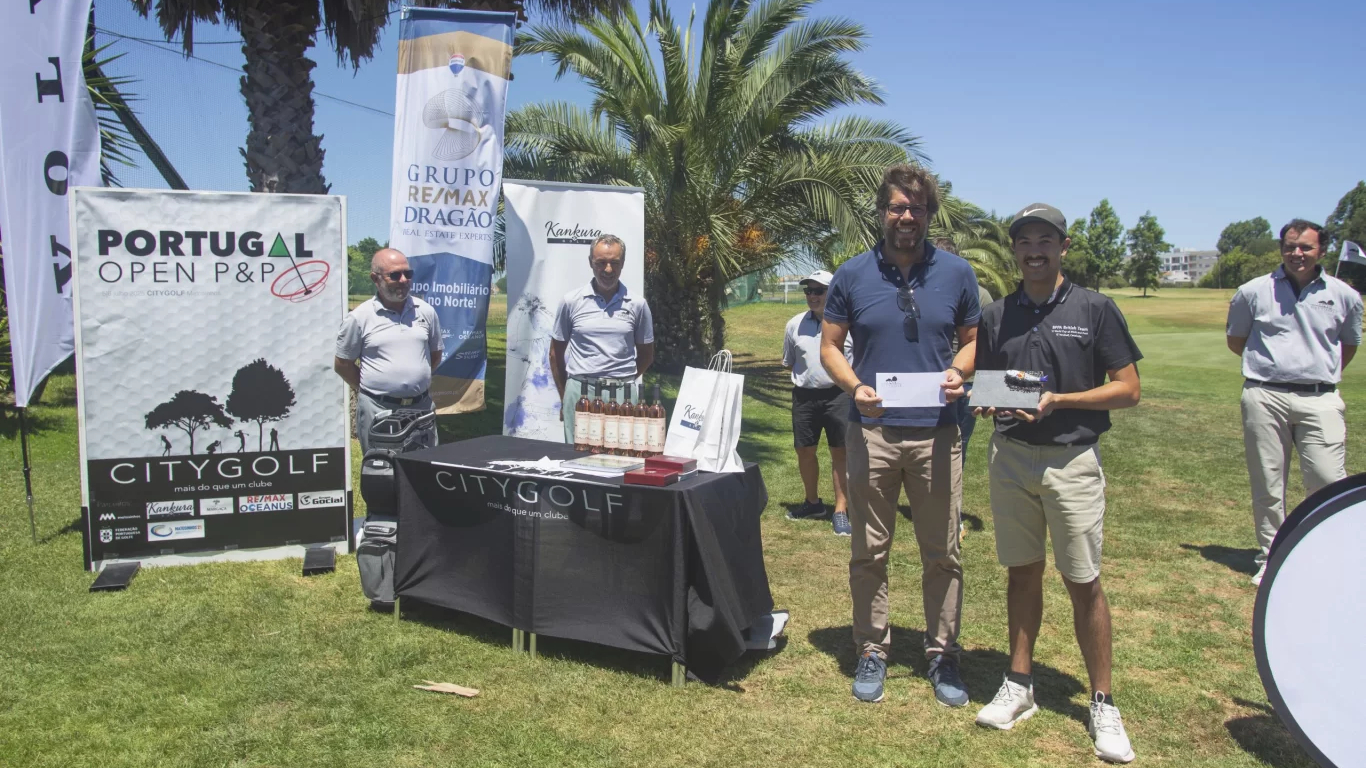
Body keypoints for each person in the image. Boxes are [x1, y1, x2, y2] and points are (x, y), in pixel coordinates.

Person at [970, 203, 1141, 764]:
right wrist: (985, 401)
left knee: (1082, 580)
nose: (1034, 251)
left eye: (1045, 240)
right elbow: (991, 383)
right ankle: (1019, 685)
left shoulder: (1095, 308)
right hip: (1010, 458)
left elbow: (1128, 388)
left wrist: (1061, 400)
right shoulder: (997, 315)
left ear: (1063, 247)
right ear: (1015, 250)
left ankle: (1103, 702)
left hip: (1072, 462)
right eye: (1025, 242)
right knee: (1022, 572)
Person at [820, 164, 982, 707]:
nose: (906, 216)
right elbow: (829, 347)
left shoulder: (957, 273)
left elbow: (972, 340)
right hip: (873, 433)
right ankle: (872, 647)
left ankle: (943, 653)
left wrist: (959, 371)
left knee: (943, 552)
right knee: (869, 550)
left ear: (929, 213)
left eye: (916, 208)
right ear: (882, 213)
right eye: (897, 207)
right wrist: (854, 386)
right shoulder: (852, 274)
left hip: (937, 434)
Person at [1226, 219, 1362, 586]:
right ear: (1281, 248)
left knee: (1328, 481)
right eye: (1289, 246)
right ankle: (1271, 557)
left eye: (1305, 247)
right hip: (1265, 395)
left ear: (1322, 251)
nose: (1296, 253)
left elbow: (1348, 346)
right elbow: (1237, 341)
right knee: (1268, 483)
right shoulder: (1253, 291)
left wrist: (1314, 371)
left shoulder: (1344, 295)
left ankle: (1327, 554)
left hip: (1321, 398)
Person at [334, 248, 443, 454]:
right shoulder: (359, 318)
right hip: (378, 409)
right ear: (375, 278)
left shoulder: (426, 311)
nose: (403, 280)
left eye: (407, 274)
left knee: (424, 465)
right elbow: (342, 364)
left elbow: (435, 355)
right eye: (394, 275)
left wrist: (413, 381)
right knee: (382, 467)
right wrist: (372, 391)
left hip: (421, 407)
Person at [550, 235, 655, 442]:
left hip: (623, 393)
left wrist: (623, 379)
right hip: (580, 392)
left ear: (622, 263)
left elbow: (647, 355)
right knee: (577, 456)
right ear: (591, 263)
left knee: (622, 454)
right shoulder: (571, 302)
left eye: (614, 263)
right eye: (601, 263)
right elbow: (555, 354)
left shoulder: (637, 304)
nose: (608, 269)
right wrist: (566, 396)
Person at [782, 269, 854, 535]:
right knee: (805, 450)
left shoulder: (849, 324)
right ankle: (812, 503)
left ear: (832, 292)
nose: (812, 296)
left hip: (839, 396)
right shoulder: (794, 324)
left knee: (840, 452)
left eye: (818, 291)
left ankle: (841, 510)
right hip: (804, 397)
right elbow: (789, 361)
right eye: (808, 291)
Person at [934, 236, 994, 541]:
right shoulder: (922, 291)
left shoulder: (978, 294)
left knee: (957, 448)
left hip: (965, 382)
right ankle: (935, 510)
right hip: (930, 383)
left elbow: (990, 343)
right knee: (928, 448)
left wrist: (985, 388)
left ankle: (951, 515)